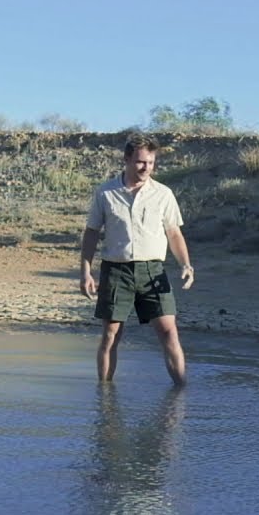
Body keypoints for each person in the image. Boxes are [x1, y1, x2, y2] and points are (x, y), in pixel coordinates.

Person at [80, 134, 194, 385]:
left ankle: (181, 392)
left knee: (169, 332)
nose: (146, 168)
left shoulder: (163, 194)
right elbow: (91, 233)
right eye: (141, 162)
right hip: (116, 271)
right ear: (127, 159)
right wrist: (86, 271)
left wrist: (185, 263)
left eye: (151, 163)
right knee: (111, 335)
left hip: (153, 271)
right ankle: (105, 396)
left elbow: (174, 232)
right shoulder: (105, 193)